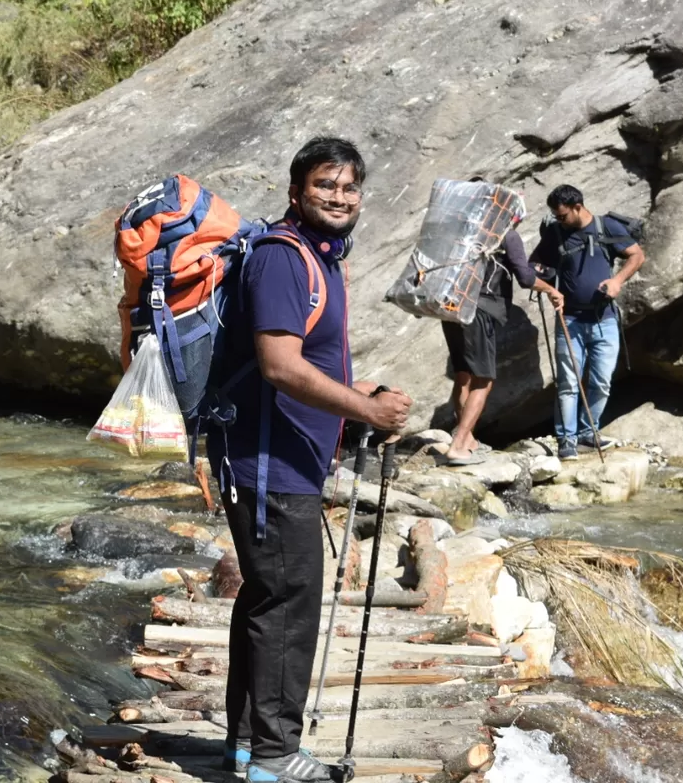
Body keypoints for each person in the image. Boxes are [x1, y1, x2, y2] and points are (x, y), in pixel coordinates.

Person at [207, 136, 412, 783]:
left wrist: (364, 397)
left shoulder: (321, 260)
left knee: (271, 598)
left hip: (289, 461)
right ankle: (274, 754)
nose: (339, 197)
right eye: (326, 185)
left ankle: (248, 747)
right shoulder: (282, 259)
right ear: (296, 191)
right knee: (289, 602)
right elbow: (279, 365)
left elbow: (311, 360)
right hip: (267, 463)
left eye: (349, 187)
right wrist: (362, 411)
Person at [440, 198, 562, 466]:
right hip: (480, 311)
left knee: (463, 375)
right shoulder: (506, 234)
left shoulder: (460, 231)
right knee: (483, 380)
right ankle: (459, 445)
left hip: (451, 308)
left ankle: (468, 438)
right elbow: (526, 278)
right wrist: (551, 289)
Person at [529, 184, 645, 461]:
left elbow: (637, 255)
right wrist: (548, 285)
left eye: (562, 215)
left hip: (604, 318)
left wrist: (617, 281)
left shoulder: (607, 227)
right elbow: (534, 263)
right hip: (569, 319)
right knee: (569, 382)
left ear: (578, 207)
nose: (559, 220)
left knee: (602, 381)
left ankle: (586, 433)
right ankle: (566, 440)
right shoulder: (556, 233)